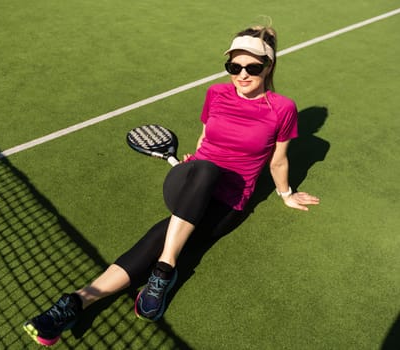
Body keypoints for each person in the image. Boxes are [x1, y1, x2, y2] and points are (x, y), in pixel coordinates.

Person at [23, 25, 320, 347]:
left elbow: (277, 161)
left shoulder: (282, 108)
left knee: (157, 238)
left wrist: (285, 193)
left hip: (228, 201)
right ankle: (165, 270)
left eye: (252, 68)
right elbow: (206, 137)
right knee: (205, 169)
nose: (242, 75)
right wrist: (193, 164)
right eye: (234, 67)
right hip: (190, 179)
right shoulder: (216, 94)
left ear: (269, 67)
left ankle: (76, 302)